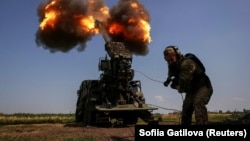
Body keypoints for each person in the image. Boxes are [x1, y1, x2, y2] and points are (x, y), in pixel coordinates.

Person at [163, 45, 213, 125]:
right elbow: (171, 74)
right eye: (168, 61)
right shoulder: (172, 64)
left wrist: (176, 86)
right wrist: (168, 81)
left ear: (177, 55)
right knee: (186, 108)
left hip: (203, 86)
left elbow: (183, 87)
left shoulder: (186, 63)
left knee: (197, 103)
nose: (170, 62)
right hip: (192, 89)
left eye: (171, 60)